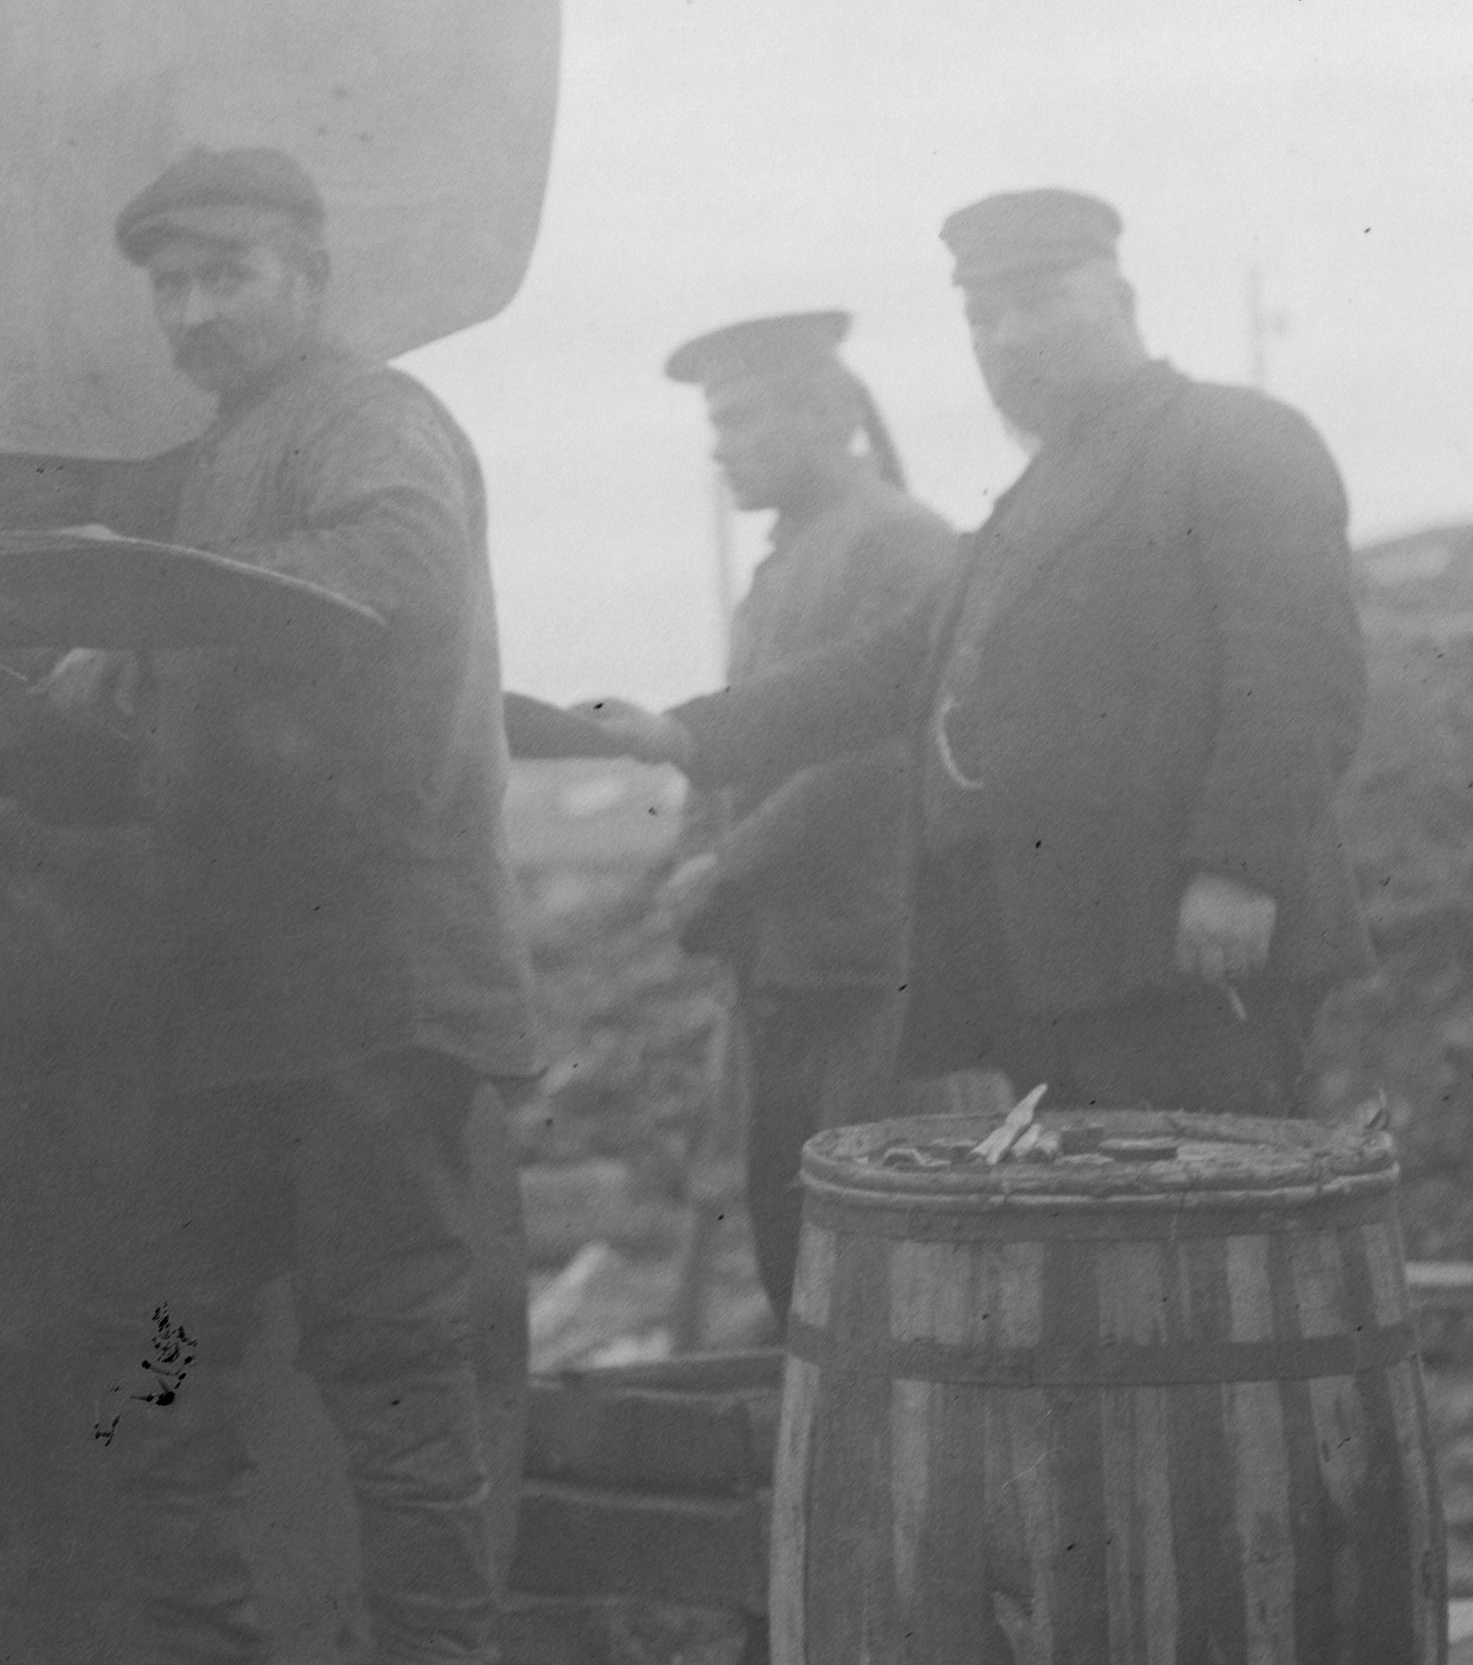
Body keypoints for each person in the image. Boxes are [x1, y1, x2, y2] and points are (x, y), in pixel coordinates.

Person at [0, 146, 538, 1665]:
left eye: (225, 277)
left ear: (307, 275)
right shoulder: (223, 460)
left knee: (387, 1339)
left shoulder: (368, 421)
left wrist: (151, 616)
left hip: (375, 981)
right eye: (171, 287)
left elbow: (390, 568)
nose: (192, 313)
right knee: (160, 1333)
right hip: (236, 993)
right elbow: (185, 726)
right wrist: (1, 743)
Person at [582, 190, 1371, 1114]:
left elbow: (1295, 674)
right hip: (1057, 965)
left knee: (1203, 1191)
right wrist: (683, 734)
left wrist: (1239, 870)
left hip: (1187, 949)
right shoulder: (1031, 499)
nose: (1010, 337)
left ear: (1120, 299)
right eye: (983, 318)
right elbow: (888, 666)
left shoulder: (1237, 438)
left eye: (1040, 301)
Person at [651, 310, 961, 1322]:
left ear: (828, 415)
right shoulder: (787, 559)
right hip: (783, 965)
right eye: (717, 422)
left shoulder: (899, 541)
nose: (721, 448)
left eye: (742, 418)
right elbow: (729, 746)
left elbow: (879, 749)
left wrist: (728, 863)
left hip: (873, 969)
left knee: (883, 1252)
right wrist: (698, 859)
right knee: (791, 1247)